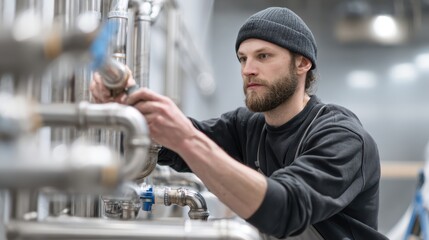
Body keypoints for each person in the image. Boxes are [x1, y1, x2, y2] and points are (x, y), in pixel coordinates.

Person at [91, 6, 388, 240]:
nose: (248, 69)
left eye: (263, 56)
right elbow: (174, 146)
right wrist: (124, 108)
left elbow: (285, 209)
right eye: (242, 59)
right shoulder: (248, 126)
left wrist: (185, 138)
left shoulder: (341, 137)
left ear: (302, 63)